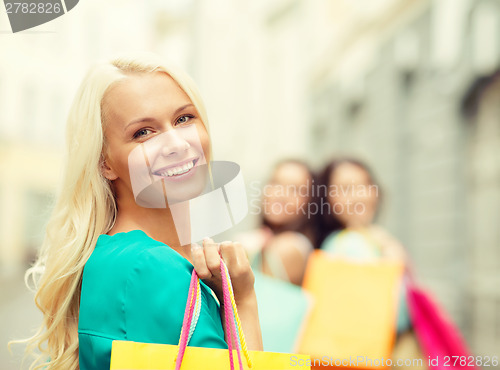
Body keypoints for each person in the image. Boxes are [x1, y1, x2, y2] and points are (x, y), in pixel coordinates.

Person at [15, 53, 262, 370]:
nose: (176, 144)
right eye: (142, 132)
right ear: (105, 162)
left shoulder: (109, 254)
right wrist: (243, 300)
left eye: (184, 119)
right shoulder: (152, 267)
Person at [242, 160, 317, 286]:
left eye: (295, 190)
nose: (281, 195)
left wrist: (243, 252)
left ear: (310, 202)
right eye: (276, 183)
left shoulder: (289, 248)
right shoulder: (266, 239)